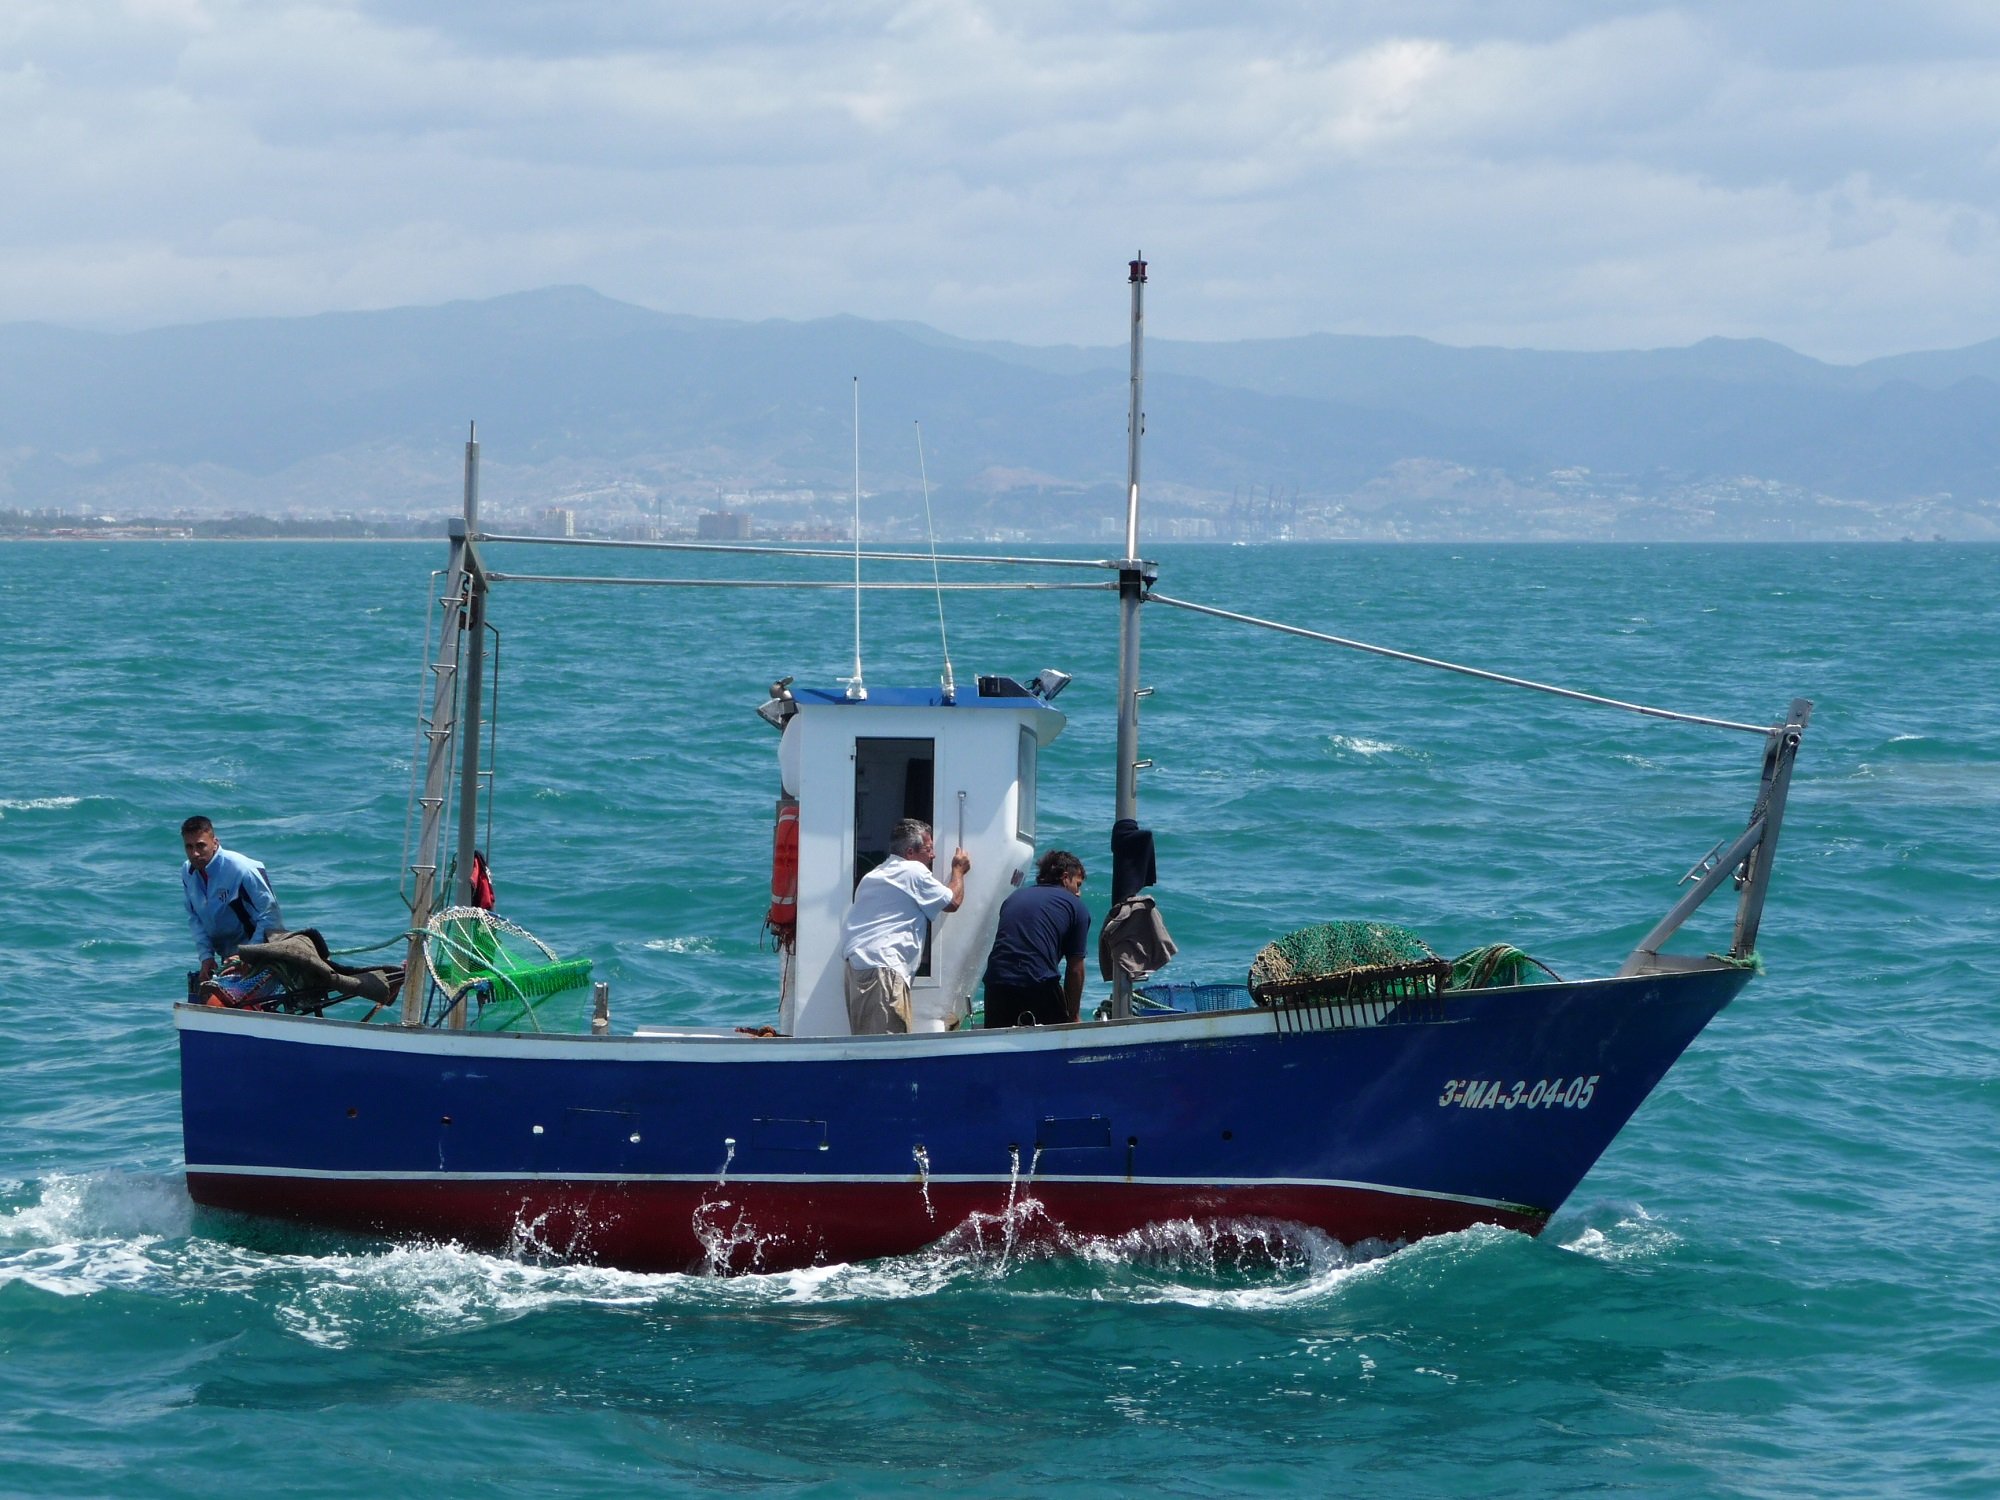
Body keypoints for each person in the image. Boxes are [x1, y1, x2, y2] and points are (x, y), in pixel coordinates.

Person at [840, 818, 969, 1035]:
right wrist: (958, 870)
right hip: (883, 970)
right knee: (887, 1048)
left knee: (868, 1043)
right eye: (928, 849)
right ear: (910, 852)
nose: (933, 855)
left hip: (859, 969)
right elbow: (952, 902)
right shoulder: (912, 871)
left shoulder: (873, 876)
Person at [983, 849, 1092, 1027]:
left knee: (997, 1045)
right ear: (1065, 877)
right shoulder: (1076, 907)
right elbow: (1075, 969)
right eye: (1078, 885)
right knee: (1055, 1044)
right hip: (1038, 984)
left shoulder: (1014, 897)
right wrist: (1073, 1016)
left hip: (997, 982)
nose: (1079, 893)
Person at [180, 816, 282, 983]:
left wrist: (247, 954)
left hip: (260, 957)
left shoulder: (241, 869)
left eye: (200, 846)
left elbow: (271, 917)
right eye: (189, 847)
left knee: (217, 1002)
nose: (195, 853)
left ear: (215, 842)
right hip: (228, 960)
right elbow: (195, 918)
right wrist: (206, 956)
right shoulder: (188, 872)